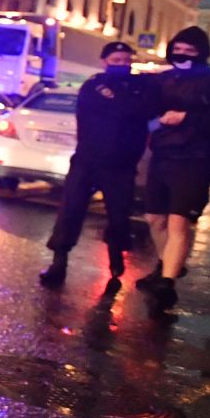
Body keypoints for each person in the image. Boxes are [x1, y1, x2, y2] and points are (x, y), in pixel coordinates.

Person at [136, 26, 210, 310]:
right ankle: (166, 265)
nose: (182, 55)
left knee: (179, 221)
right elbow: (146, 113)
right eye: (178, 49)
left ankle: (167, 285)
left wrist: (188, 117)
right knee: (154, 218)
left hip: (196, 158)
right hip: (163, 155)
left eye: (190, 51)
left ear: (202, 53)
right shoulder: (163, 79)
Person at [38, 42, 154, 289]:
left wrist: (128, 104)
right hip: (87, 160)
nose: (122, 64)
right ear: (105, 61)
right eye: (116, 59)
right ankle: (59, 262)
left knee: (119, 215)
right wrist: (128, 105)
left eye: (126, 59)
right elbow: (125, 110)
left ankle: (115, 261)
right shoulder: (93, 85)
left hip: (121, 164)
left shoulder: (140, 86)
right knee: (71, 211)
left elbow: (141, 110)